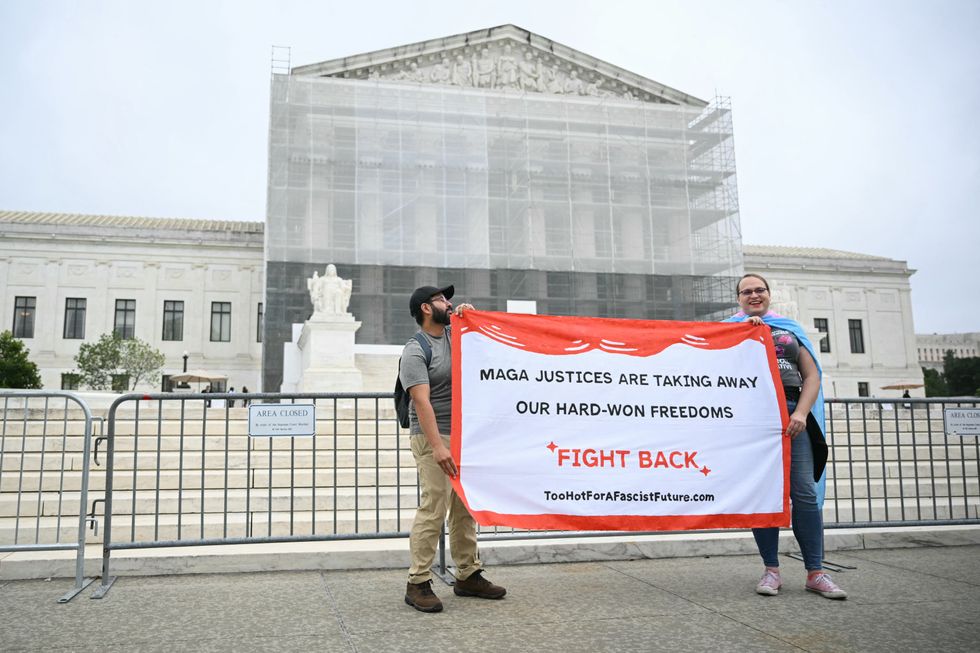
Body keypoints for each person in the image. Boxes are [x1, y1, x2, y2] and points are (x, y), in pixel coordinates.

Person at [725, 273, 847, 600]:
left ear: (768, 294)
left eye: (759, 290)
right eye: (746, 291)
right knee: (764, 494)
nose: (754, 295)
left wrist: (801, 414)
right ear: (738, 298)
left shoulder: (789, 329)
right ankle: (771, 570)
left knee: (804, 492)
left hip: (794, 416)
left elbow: (811, 376)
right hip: (755, 420)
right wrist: (741, 333)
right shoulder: (729, 329)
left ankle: (816, 572)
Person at [400, 284, 506, 612]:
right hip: (433, 436)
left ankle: (468, 574)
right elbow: (421, 402)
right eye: (441, 300)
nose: (449, 303)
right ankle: (417, 582)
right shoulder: (415, 350)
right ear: (426, 309)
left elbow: (488, 349)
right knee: (434, 506)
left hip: (463, 436)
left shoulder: (454, 334)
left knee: (463, 508)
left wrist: (472, 320)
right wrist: (437, 447)